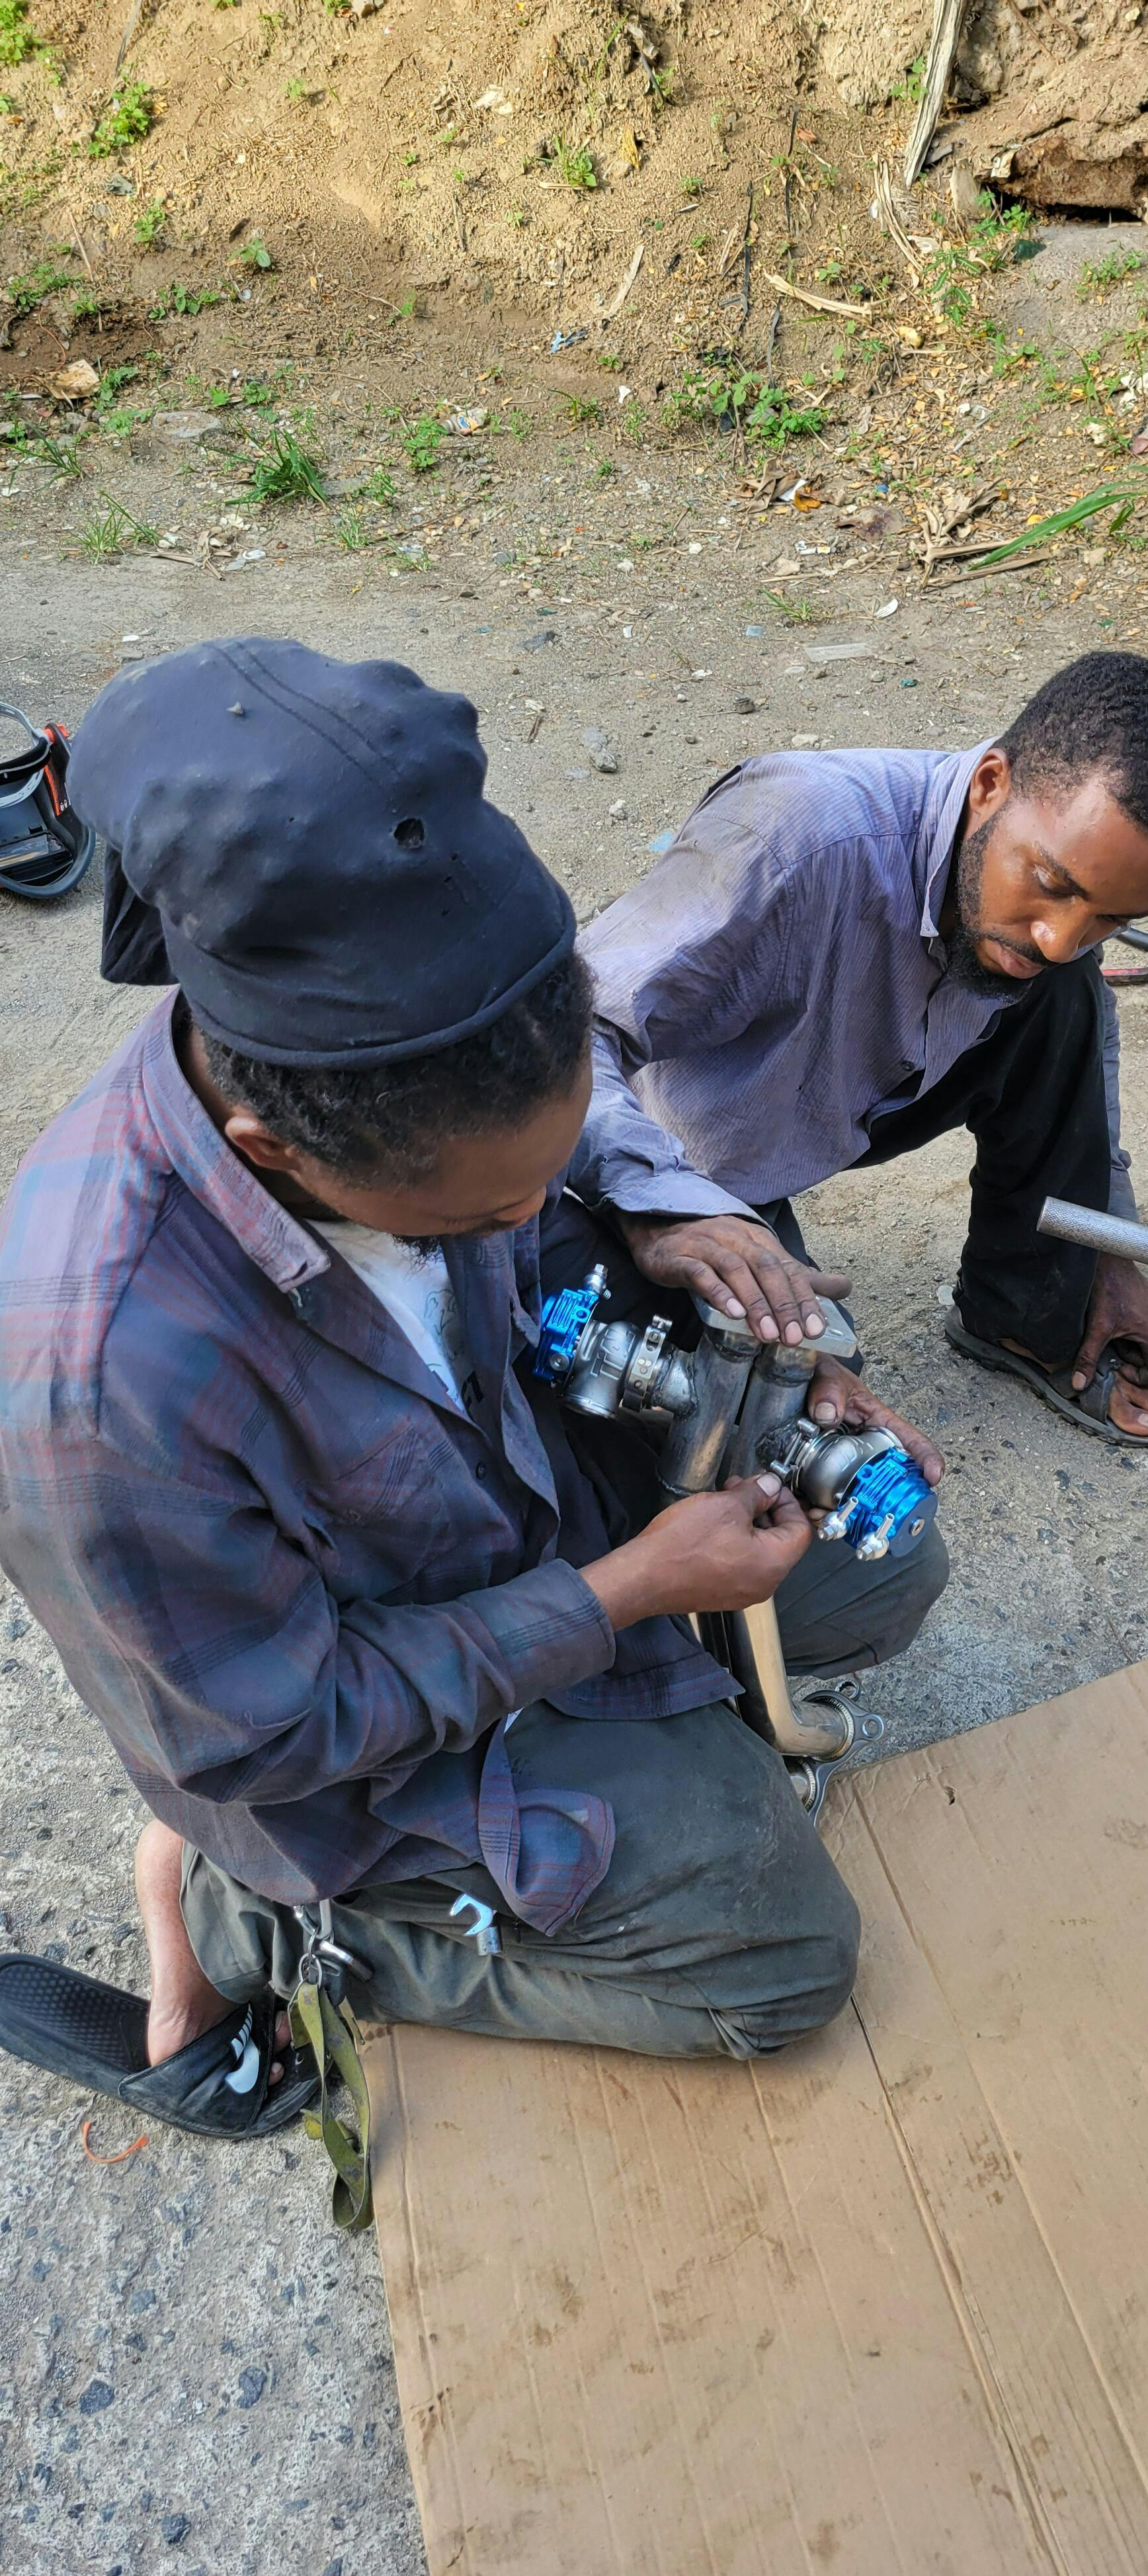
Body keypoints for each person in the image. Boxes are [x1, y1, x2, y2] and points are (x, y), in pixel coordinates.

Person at [0, 639, 946, 2167]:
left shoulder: (428, 1043)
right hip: (335, 1741)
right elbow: (280, 1734)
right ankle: (261, 1919)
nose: (527, 1221)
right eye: (481, 1218)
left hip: (496, 1519)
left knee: (881, 1565)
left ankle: (647, 1702)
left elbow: (557, 1165)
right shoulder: (100, 1392)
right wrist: (629, 1592)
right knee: (784, 1968)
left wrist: (700, 1269)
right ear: (275, 1151)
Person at [566, 650, 1148, 1449]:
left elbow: (1083, 1076)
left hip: (867, 1090)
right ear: (990, 785)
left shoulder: (1051, 921)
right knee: (785, 1412)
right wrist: (662, 1209)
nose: (1061, 936)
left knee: (1067, 994)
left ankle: (1023, 1318)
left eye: (1111, 918)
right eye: (1053, 885)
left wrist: (1106, 1251)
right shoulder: (791, 839)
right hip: (699, 1152)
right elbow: (563, 1035)